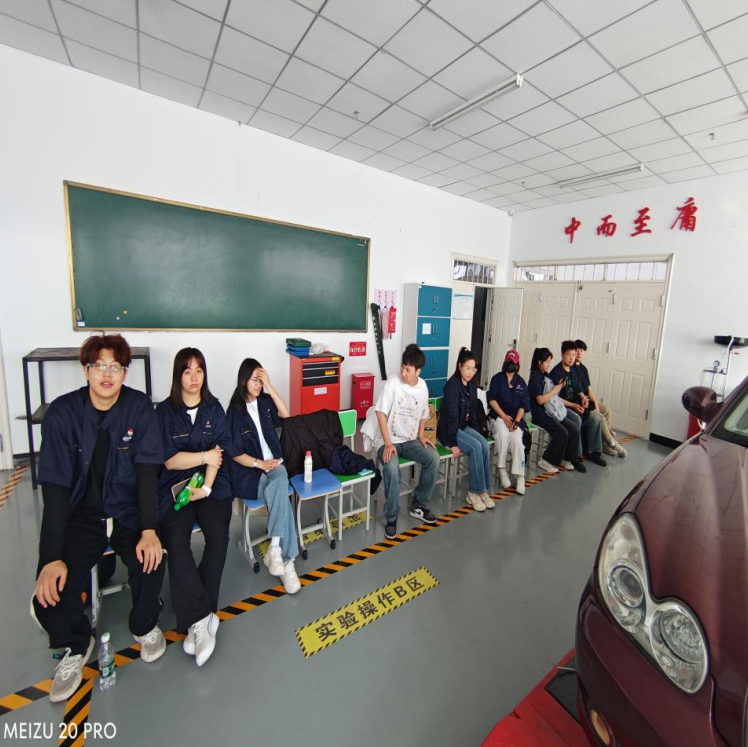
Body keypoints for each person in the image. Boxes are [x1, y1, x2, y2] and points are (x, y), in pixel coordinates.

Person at [33, 334, 166, 702]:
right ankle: (76, 644)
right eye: (99, 366)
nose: (107, 374)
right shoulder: (63, 414)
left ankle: (144, 625)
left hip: (126, 512)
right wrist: (50, 557)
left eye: (115, 367)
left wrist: (149, 529)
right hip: (82, 517)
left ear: (125, 372)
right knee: (51, 589)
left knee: (152, 561)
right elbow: (55, 490)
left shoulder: (139, 408)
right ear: (86, 370)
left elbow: (147, 474)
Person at [156, 348, 232, 667]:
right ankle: (203, 616)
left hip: (211, 483)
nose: (194, 377)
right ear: (178, 376)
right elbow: (169, 460)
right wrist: (202, 458)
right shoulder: (164, 412)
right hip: (177, 487)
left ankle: (196, 616)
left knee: (218, 536)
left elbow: (220, 452)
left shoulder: (214, 408)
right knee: (176, 541)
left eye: (199, 370)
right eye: (187, 371)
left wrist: (207, 488)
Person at [226, 359, 300, 595]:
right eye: (254, 380)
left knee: (279, 481)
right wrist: (260, 463)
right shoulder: (234, 413)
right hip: (249, 471)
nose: (258, 385)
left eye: (261, 380)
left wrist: (270, 386)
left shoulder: (266, 402)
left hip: (274, 465)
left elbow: (286, 414)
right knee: (280, 492)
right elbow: (235, 453)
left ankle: (275, 548)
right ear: (243, 381)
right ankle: (287, 561)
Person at [374, 344, 439, 539]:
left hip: (410, 441)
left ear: (417, 371)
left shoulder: (422, 387)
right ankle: (392, 516)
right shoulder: (393, 382)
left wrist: (421, 436)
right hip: (387, 440)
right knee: (392, 468)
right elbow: (380, 412)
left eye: (408, 369)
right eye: (402, 367)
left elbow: (423, 414)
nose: (403, 372)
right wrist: (387, 443)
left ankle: (418, 504)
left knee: (433, 458)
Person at [438, 347, 493, 511]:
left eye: (473, 369)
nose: (470, 372)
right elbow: (452, 417)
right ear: (460, 366)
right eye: (467, 368)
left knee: (483, 444)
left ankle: (483, 490)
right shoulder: (452, 386)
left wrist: (477, 433)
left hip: (464, 425)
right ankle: (473, 493)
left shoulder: (472, 384)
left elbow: (473, 411)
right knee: (475, 447)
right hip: (449, 430)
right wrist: (453, 444)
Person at [550, 341, 607, 467]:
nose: (571, 358)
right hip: (563, 407)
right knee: (577, 419)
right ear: (562, 355)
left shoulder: (574, 370)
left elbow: (578, 388)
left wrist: (582, 397)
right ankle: (576, 455)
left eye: (573, 355)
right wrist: (573, 405)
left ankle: (594, 451)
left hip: (576, 404)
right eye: (568, 355)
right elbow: (555, 399)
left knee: (596, 418)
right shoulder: (556, 372)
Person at [527, 347, 582, 474]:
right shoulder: (535, 377)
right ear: (539, 362)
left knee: (574, 428)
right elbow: (540, 400)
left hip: (551, 412)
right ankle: (545, 460)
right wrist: (555, 390)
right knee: (562, 432)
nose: (548, 365)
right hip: (541, 416)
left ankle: (565, 458)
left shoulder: (545, 375)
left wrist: (571, 403)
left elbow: (554, 397)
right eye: (547, 362)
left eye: (549, 362)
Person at [487, 350, 530, 495]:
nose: (510, 364)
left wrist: (516, 422)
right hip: (499, 416)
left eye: (513, 363)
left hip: (516, 419)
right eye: (508, 362)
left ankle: (520, 476)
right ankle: (501, 468)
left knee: (517, 440)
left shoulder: (521, 383)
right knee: (503, 436)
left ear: (517, 365)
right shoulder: (497, 379)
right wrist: (504, 417)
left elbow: (523, 405)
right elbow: (492, 400)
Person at [574, 340, 627, 458]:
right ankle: (611, 441)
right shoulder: (571, 368)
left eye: (582, 351)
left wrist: (596, 403)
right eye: (577, 350)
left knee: (607, 410)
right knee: (600, 417)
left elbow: (589, 389)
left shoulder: (583, 369)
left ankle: (604, 443)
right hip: (580, 402)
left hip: (588, 400)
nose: (579, 353)